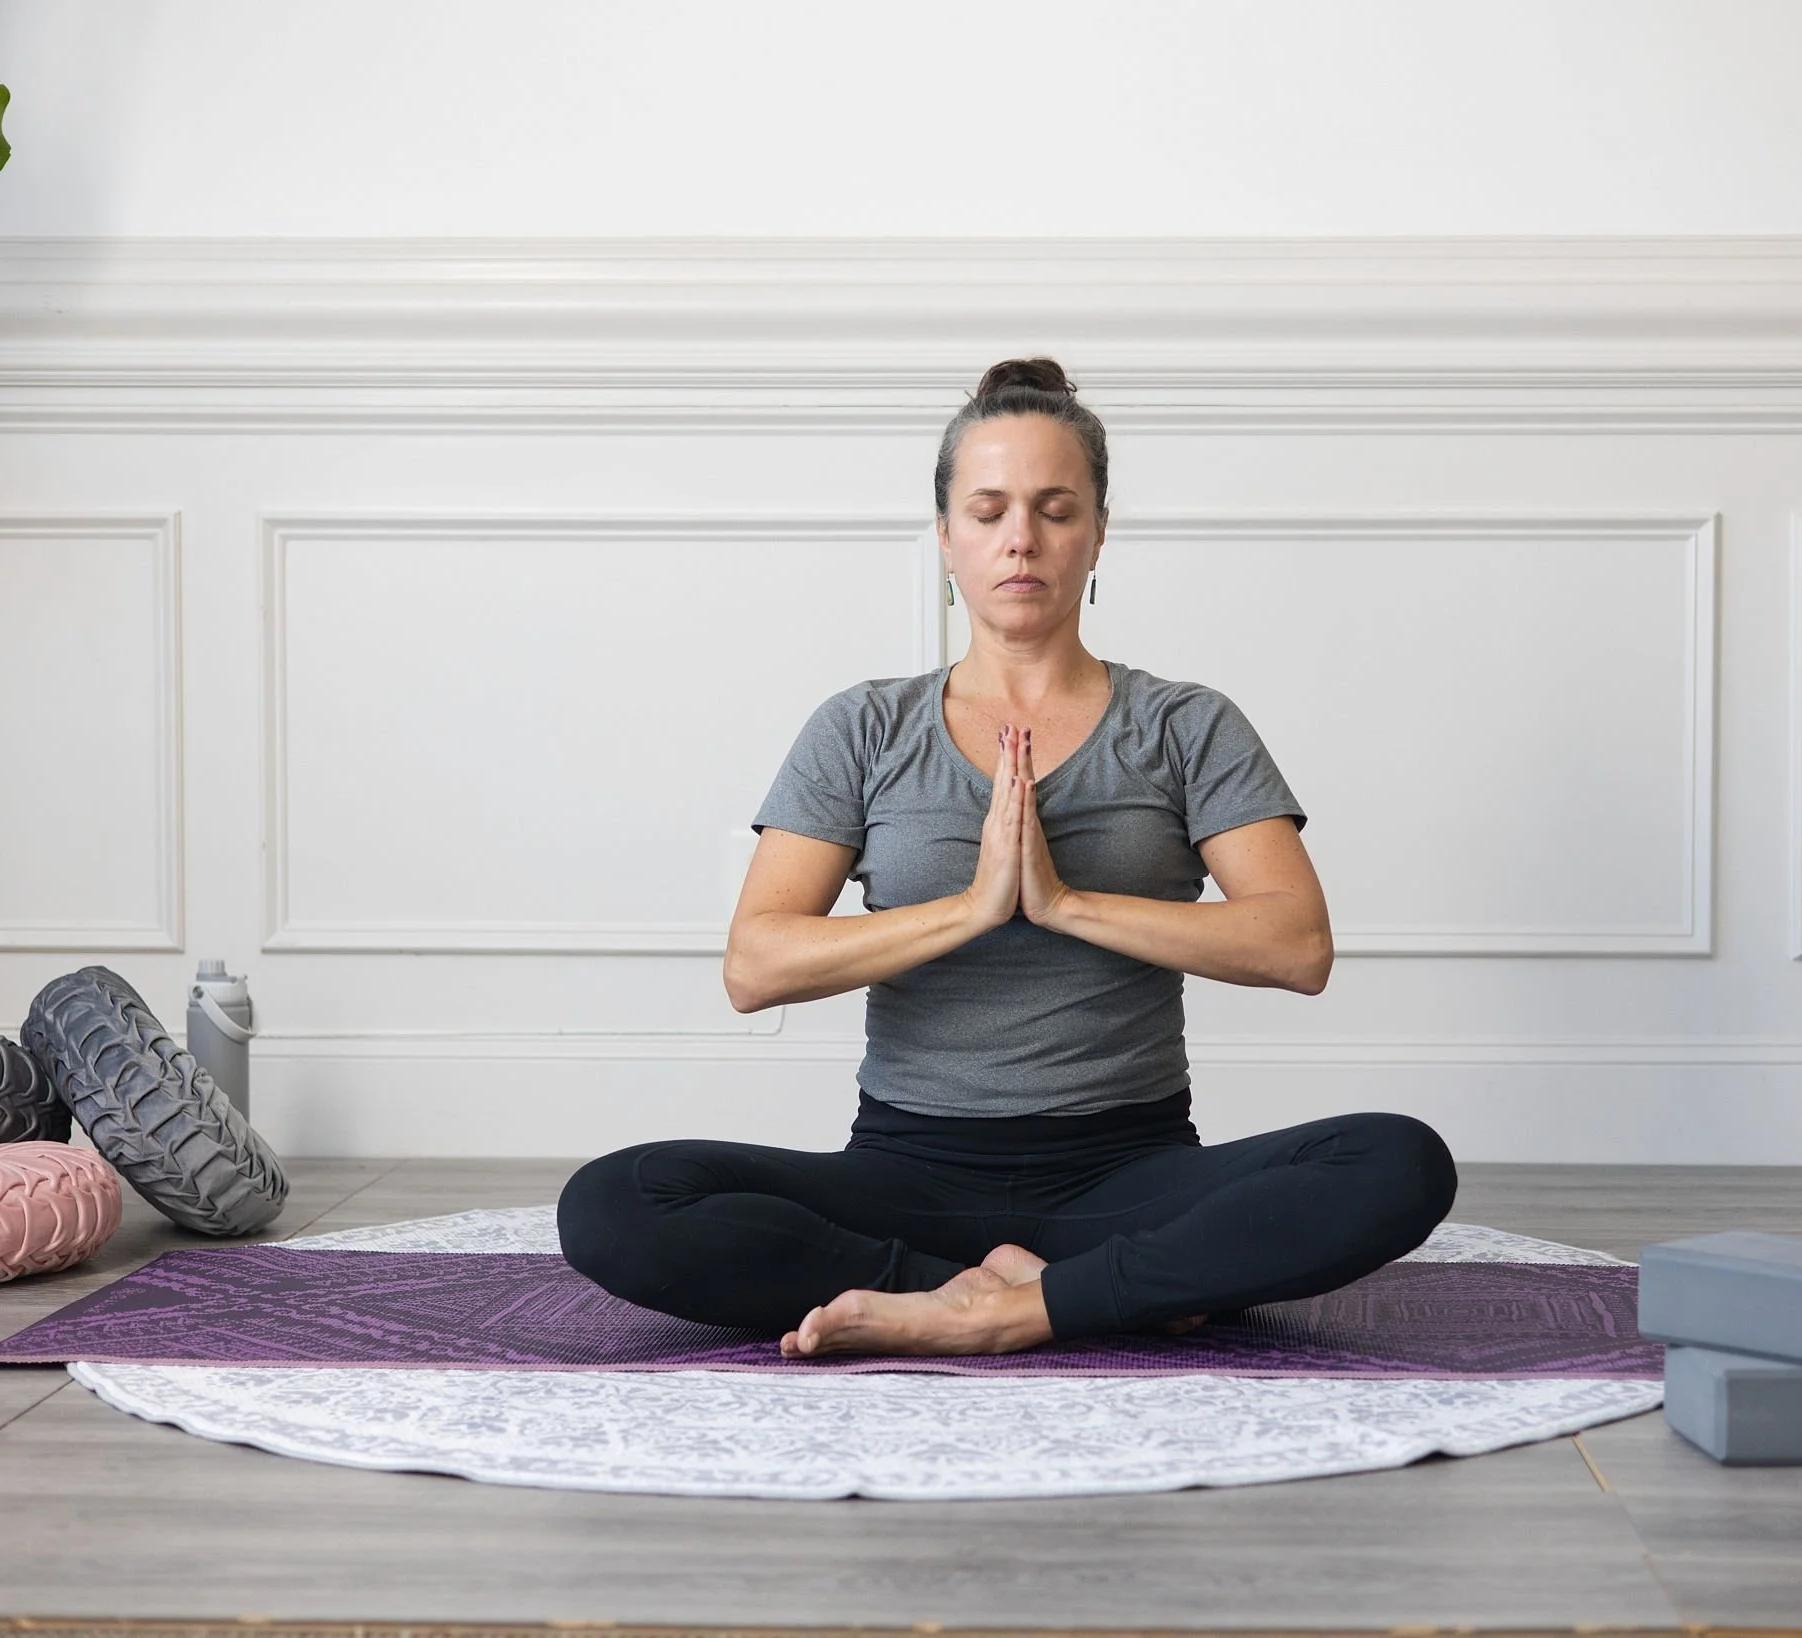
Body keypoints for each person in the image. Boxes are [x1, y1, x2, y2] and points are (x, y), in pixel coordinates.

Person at [557, 358, 1457, 1359]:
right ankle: (990, 1291)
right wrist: (974, 907)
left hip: (1126, 1175)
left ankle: (1004, 1311)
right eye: (987, 511)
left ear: (1098, 532)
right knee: (613, 1202)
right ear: (946, 536)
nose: (1020, 538)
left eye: (1054, 509)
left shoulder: (1186, 725)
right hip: (904, 1172)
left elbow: (1297, 946)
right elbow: (753, 966)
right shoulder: (863, 727)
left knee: (1398, 1161)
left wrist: (1064, 901)